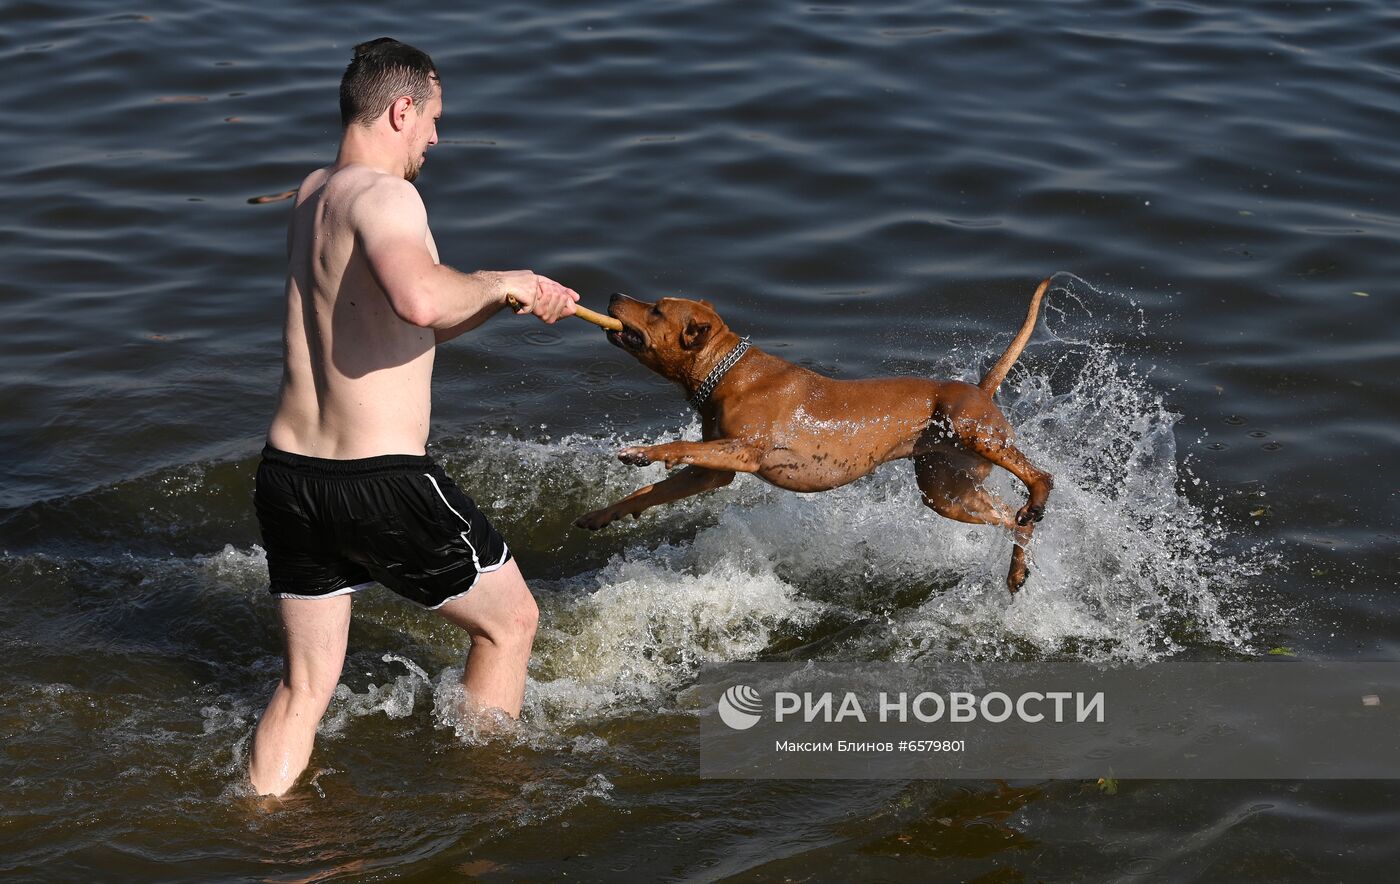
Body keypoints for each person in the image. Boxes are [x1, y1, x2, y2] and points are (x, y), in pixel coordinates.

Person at [248, 37, 579, 797]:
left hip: (291, 478)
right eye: (433, 120)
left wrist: (502, 301)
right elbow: (422, 299)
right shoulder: (389, 197)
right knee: (511, 623)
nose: (435, 139)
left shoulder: (314, 193)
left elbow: (404, 322)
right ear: (402, 109)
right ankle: (483, 804)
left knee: (303, 690)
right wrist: (508, 277)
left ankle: (256, 827)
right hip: (379, 479)